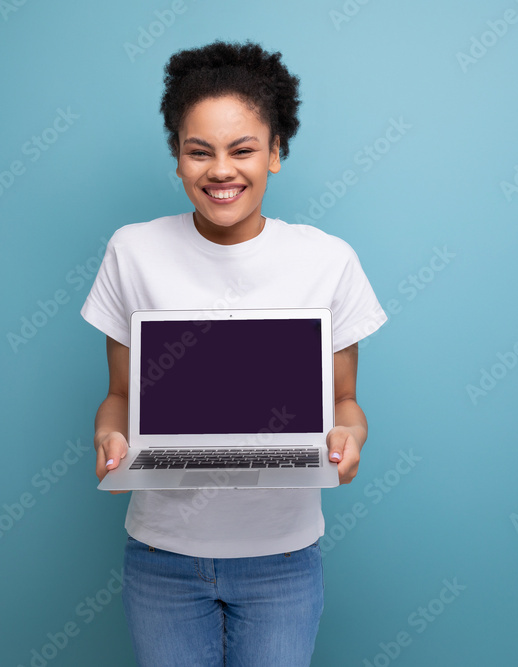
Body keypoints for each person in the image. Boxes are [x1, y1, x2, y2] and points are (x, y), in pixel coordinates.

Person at [79, 39, 388, 667]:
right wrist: (111, 441)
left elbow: (345, 402)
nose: (222, 170)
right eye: (200, 151)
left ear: (275, 153)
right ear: (177, 158)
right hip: (162, 556)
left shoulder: (328, 261)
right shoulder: (132, 251)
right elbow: (119, 397)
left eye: (243, 149)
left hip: (282, 560)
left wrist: (348, 439)